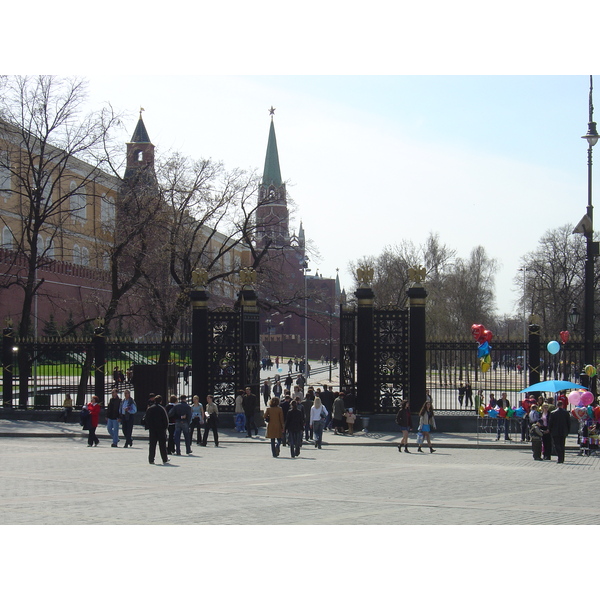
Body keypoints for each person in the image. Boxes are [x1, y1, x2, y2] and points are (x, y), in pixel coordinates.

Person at [145, 394, 169, 465]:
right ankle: (164, 458)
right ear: (161, 401)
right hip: (161, 429)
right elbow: (166, 420)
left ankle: (151, 459)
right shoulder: (162, 409)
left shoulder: (150, 408)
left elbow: (147, 418)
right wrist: (165, 428)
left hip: (152, 429)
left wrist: (149, 426)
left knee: (152, 445)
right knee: (162, 445)